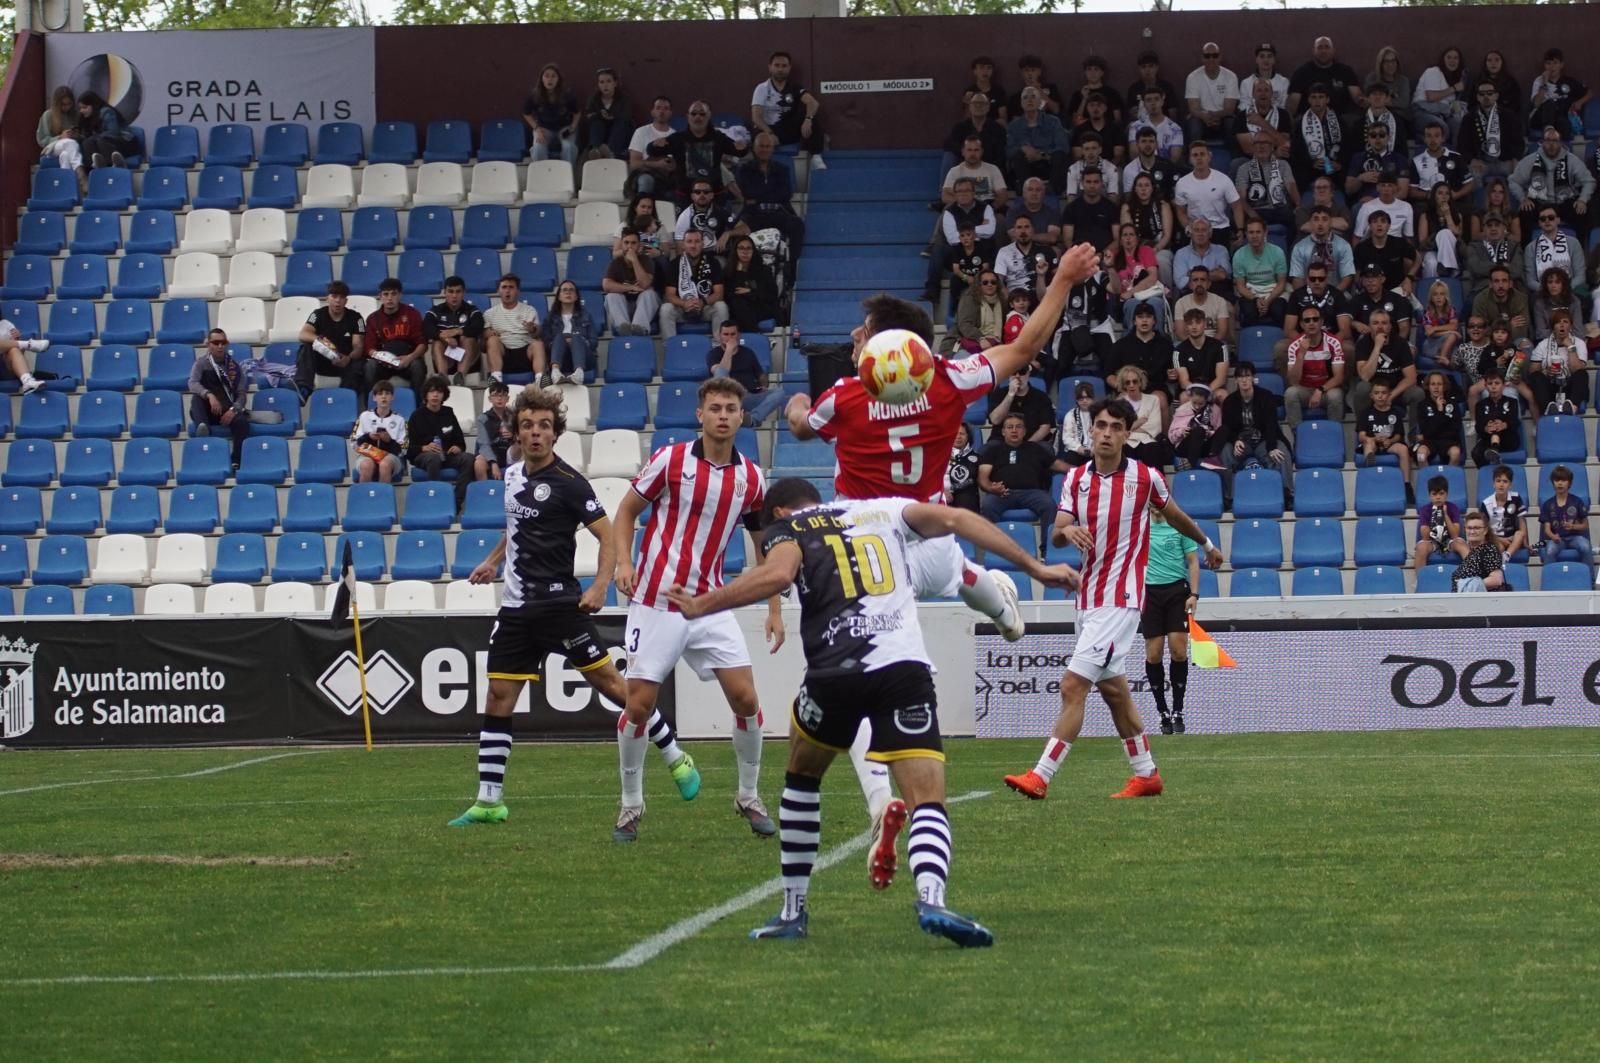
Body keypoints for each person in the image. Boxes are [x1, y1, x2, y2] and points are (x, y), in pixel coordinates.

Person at [669, 479, 1072, 946]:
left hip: (833, 673)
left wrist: (703, 603)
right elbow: (957, 519)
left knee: (802, 778)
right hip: (902, 672)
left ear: (779, 511)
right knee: (928, 798)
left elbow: (777, 576)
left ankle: (793, 910)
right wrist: (1035, 567)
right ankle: (932, 898)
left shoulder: (789, 528)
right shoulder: (886, 510)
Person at [784, 244, 1101, 829]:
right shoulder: (950, 378)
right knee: (953, 568)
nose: (854, 337)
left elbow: (804, 426)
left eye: (863, 332)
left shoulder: (845, 396)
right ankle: (996, 600)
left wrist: (798, 403)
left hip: (867, 553)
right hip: (930, 537)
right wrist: (1061, 278)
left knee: (859, 672)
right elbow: (1024, 349)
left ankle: (879, 801)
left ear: (886, 347)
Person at [448, 386, 670, 827]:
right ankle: (489, 800)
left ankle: (673, 750)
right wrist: (492, 562)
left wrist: (600, 586)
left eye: (544, 426)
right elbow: (515, 527)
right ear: (516, 432)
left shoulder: (570, 483)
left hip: (560, 606)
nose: (536, 433)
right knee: (498, 695)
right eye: (528, 425)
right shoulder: (512, 475)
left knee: (612, 686)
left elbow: (607, 536)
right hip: (516, 608)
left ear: (556, 433)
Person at [1004, 396, 1223, 802]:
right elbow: (1058, 532)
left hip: (1121, 599)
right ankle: (1147, 774)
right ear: (1092, 431)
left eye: (1115, 427)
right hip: (1087, 599)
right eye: (1101, 426)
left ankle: (1041, 775)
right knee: (1115, 692)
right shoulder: (1075, 479)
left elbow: (1175, 515)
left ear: (1127, 435)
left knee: (1073, 685)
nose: (1106, 433)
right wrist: (1066, 532)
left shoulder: (1145, 478)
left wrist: (1207, 545)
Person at [611, 377, 781, 843]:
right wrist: (624, 562)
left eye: (731, 408)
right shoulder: (671, 461)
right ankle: (631, 805)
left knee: (746, 700)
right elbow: (626, 512)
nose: (723, 415)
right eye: (716, 408)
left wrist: (774, 607)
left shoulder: (751, 478)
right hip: (657, 600)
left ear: (741, 417)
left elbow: (764, 544)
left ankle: (748, 795)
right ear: (700, 415)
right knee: (639, 705)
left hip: (709, 602)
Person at [1141, 507, 1202, 735]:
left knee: (1178, 651)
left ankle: (1178, 710)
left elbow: (1193, 561)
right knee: (1153, 654)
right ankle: (1162, 712)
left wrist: (1194, 594)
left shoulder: (1180, 524)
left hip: (1177, 591)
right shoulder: (1140, 525)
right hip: (1149, 593)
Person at [1511, 126, 1595, 239]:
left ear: (1560, 143)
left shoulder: (1571, 160)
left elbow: (1589, 181)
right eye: (1548, 140)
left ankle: (1580, 247)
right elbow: (1513, 180)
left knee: (1582, 212)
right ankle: (1526, 247)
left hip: (1564, 202)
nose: (1551, 144)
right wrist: (1522, 198)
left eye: (1555, 141)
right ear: (1542, 142)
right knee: (1524, 212)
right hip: (1539, 202)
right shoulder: (1531, 160)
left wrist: (1582, 200)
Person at [978, 413, 1058, 526]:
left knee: (1049, 505)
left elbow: (1057, 465)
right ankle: (993, 538)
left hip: (1032, 493)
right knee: (988, 505)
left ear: (1024, 431)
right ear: (1003, 431)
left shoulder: (1036, 448)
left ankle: (1047, 538)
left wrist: (1081, 468)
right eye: (1010, 427)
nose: (1014, 430)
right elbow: (983, 478)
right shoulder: (992, 450)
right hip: (1002, 494)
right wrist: (991, 488)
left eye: (1019, 427)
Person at [406, 374, 474, 507]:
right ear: (426, 395)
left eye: (439, 392)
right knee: (433, 458)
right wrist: (424, 448)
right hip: (425, 456)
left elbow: (460, 441)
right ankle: (436, 501)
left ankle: (456, 501)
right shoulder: (416, 416)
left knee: (469, 459)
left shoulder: (449, 412)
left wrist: (458, 447)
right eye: (432, 391)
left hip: (447, 454)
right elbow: (408, 449)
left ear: (444, 395)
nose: (435, 395)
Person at [1219, 362, 1292, 486]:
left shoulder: (1266, 397)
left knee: (1281, 452)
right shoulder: (1229, 401)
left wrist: (1271, 447)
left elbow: (1271, 425)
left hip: (1263, 441)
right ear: (1236, 380)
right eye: (1240, 377)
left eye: (1247, 376)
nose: (1244, 380)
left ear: (1253, 378)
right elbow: (1227, 427)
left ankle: (1287, 491)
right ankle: (1229, 494)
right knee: (1225, 451)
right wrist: (1235, 440)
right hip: (1242, 443)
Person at [737, 132, 805, 262]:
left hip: (779, 212)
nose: (764, 150)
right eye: (761, 146)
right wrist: (771, 194)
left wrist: (759, 196)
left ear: (773, 149)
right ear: (754, 148)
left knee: (798, 225)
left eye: (768, 146)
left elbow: (786, 194)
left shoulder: (782, 169)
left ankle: (791, 264)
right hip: (754, 213)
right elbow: (748, 192)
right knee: (736, 230)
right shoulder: (744, 170)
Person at [295, 280, 367, 401]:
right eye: (334, 296)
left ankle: (346, 398)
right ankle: (304, 388)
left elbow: (358, 347)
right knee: (306, 347)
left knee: (359, 363)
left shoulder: (356, 317)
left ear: (346, 301)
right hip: (324, 361)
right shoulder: (318, 314)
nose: (338, 301)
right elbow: (303, 334)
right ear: (327, 298)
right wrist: (321, 340)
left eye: (342, 297)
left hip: (345, 362)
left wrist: (348, 358)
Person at [189, 328, 249, 469]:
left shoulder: (235, 367)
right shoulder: (201, 363)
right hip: (208, 411)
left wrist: (234, 409)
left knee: (242, 422)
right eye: (216, 343)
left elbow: (241, 394)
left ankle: (236, 461)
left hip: (228, 410)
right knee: (196, 399)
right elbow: (192, 383)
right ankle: (203, 429)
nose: (220, 346)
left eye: (223, 342)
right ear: (208, 345)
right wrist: (209, 395)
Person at [666, 101, 747, 203]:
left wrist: (742, 148)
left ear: (709, 116)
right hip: (685, 194)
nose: (698, 117)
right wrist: (655, 146)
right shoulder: (677, 138)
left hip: (714, 194)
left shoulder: (718, 137)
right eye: (694, 114)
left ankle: (740, 198)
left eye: (702, 114)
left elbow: (739, 151)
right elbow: (653, 150)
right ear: (688, 116)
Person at [708, 320, 783, 427]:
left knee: (779, 392)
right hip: (727, 396)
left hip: (748, 396)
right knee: (720, 372)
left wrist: (763, 386)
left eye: (733, 334)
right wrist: (729, 350)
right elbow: (721, 372)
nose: (729, 337)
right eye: (726, 334)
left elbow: (761, 375)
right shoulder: (713, 354)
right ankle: (731, 414)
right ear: (720, 336)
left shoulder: (748, 352)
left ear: (739, 336)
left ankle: (751, 419)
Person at [1283, 304, 1348, 425]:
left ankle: (1334, 433)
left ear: (1321, 322)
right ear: (1302, 324)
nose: (1311, 323)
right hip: (1304, 390)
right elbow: (1293, 381)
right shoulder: (1294, 346)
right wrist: (1301, 354)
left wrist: (1320, 390)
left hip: (1326, 390)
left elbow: (1339, 377)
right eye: (1307, 320)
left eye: (1315, 319)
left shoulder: (1334, 343)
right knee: (1290, 393)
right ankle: (1298, 433)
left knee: (1336, 395)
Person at [363, 278, 428, 399]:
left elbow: (422, 344)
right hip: (383, 362)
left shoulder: (412, 314)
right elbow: (369, 348)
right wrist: (383, 358)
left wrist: (410, 358)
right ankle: (370, 405)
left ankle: (418, 405)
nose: (389, 298)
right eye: (386, 294)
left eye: (394, 294)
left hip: (407, 360)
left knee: (418, 367)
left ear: (400, 295)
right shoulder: (373, 319)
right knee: (369, 366)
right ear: (380, 296)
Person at [1353, 308, 1422, 420]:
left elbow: (1411, 377)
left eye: (1384, 323)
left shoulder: (1401, 343)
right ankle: (1362, 427)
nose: (1380, 327)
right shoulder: (1363, 343)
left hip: (1395, 389)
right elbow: (1365, 376)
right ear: (1369, 326)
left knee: (1417, 393)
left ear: (1390, 327)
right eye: (1375, 323)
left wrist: (1390, 396)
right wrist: (1377, 347)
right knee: (1362, 388)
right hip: (1374, 390)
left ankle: (1415, 431)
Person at [661, 228, 728, 338]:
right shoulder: (674, 264)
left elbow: (719, 294)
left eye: (697, 241)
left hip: (705, 307)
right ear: (683, 244)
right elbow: (669, 295)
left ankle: (719, 345)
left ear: (703, 243)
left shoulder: (713, 262)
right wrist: (684, 304)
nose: (693, 245)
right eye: (689, 241)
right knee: (666, 309)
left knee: (721, 306)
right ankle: (670, 346)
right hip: (682, 307)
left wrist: (703, 302)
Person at [481, 273, 546, 386]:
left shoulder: (529, 310)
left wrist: (532, 329)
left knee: (538, 344)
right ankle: (496, 381)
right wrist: (486, 333)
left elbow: (537, 333)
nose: (507, 291)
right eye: (504, 287)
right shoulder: (489, 313)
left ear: (518, 291)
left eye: (511, 287)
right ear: (498, 291)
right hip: (503, 354)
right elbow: (483, 342)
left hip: (525, 353)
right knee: (492, 340)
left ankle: (540, 380)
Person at [1174, 142, 1243, 246]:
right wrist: (1188, 227)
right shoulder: (1182, 183)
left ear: (1209, 157)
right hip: (1195, 229)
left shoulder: (1223, 179)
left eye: (1202, 154)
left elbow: (1236, 206)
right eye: (1195, 155)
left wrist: (1240, 229)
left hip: (1219, 228)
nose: (1199, 158)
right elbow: (1180, 211)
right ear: (1190, 159)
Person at [750, 50, 821, 151]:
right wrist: (770, 133)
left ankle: (816, 155)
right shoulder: (762, 88)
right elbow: (756, 117)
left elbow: (813, 103)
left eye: (784, 66)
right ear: (770, 67)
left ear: (789, 68)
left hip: (788, 130)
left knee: (812, 118)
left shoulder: (795, 87)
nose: (780, 69)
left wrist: (808, 120)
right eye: (777, 65)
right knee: (758, 137)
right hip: (769, 129)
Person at [1008, 86, 1071, 192]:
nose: (1029, 100)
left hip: (1049, 163)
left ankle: (1051, 190)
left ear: (1040, 102)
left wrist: (1042, 155)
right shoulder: (1013, 126)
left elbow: (1063, 146)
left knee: (1060, 155)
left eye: (1033, 97)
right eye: (1025, 97)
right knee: (1017, 156)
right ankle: (1027, 190)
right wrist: (1023, 149)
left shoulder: (1053, 121)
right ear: (1021, 103)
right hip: (1026, 165)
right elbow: (1008, 150)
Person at [1527, 309, 1589, 414]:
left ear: (1570, 326)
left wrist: (1570, 347)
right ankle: (1549, 408)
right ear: (1553, 327)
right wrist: (1546, 371)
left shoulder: (1579, 343)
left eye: (1565, 322)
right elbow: (1532, 371)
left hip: (1570, 388)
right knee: (1536, 377)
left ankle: (1572, 407)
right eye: (1558, 322)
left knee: (1582, 374)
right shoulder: (1543, 345)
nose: (1562, 325)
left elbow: (1577, 369)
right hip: (1550, 388)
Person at [603, 228, 662, 337]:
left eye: (633, 243)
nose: (629, 246)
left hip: (643, 309)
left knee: (649, 294)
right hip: (624, 308)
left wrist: (635, 261)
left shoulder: (646, 260)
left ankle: (639, 328)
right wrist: (631, 287)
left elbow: (644, 284)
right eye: (626, 243)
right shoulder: (616, 263)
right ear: (621, 244)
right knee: (611, 296)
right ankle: (623, 327)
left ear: (639, 245)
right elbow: (606, 285)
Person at [1458, 81, 1524, 178]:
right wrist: (1472, 160)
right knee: (1472, 174)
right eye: (1482, 94)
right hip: (1481, 163)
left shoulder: (1509, 116)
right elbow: (1462, 145)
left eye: (1490, 93)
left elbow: (1518, 142)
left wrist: (1515, 159)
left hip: (1504, 162)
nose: (1486, 97)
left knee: (1520, 173)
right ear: (1477, 97)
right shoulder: (1469, 118)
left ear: (1496, 96)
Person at [424, 276, 484, 382]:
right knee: (437, 342)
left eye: (458, 291)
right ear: (444, 292)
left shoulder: (472, 310)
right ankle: (443, 378)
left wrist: (458, 331)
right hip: (446, 357)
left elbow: (478, 327)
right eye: (450, 291)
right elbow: (427, 327)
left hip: (469, 359)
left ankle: (460, 377)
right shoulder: (435, 311)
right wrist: (445, 338)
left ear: (464, 293)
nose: (454, 296)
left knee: (468, 339)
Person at [1121, 172, 1175, 287]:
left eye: (1147, 185)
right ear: (1135, 189)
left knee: (1161, 261)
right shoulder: (1127, 207)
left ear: (1152, 188)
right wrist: (1141, 252)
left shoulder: (1163, 205)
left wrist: (1155, 249)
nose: (1143, 189)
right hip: (1135, 249)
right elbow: (1127, 235)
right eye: (1140, 186)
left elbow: (1167, 235)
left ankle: (1167, 294)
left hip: (1159, 247)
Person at [1232, 218, 1289, 327]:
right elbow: (1240, 286)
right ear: (1246, 234)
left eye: (1258, 232)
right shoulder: (1239, 255)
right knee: (1250, 312)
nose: (1254, 236)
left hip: (1273, 290)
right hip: (1251, 291)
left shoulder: (1277, 252)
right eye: (1251, 232)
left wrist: (1268, 301)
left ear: (1265, 233)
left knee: (1278, 310)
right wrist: (1256, 300)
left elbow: (1281, 283)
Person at [1109, 222, 1167, 331]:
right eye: (1125, 235)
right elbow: (1115, 288)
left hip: (1148, 294)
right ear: (1120, 240)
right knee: (1132, 304)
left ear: (1137, 238)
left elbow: (1152, 277)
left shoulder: (1146, 251)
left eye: (1131, 234)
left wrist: (1131, 292)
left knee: (1155, 303)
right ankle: (1131, 339)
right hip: (1126, 300)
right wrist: (1110, 267)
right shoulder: (1114, 256)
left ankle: (1158, 338)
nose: (1128, 238)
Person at [541, 280, 599, 386]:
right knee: (559, 337)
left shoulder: (586, 316)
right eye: (564, 290)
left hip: (584, 359)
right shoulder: (550, 318)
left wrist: (575, 342)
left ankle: (579, 373)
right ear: (559, 296)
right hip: (560, 358)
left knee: (576, 337)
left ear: (576, 296)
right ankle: (555, 372)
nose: (568, 292)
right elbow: (546, 342)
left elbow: (593, 342)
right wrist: (564, 340)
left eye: (571, 290)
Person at [1236, 133, 1299, 230]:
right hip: (1256, 209)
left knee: (1294, 217)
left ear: (1272, 147)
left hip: (1280, 209)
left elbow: (1291, 188)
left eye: (1265, 143)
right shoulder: (1244, 168)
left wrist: (1299, 206)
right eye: (1257, 143)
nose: (1261, 146)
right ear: (1253, 147)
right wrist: (1254, 215)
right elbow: (1241, 198)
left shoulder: (1282, 165)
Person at [1540, 465, 1593, 579]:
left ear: (1570, 483)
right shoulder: (1547, 504)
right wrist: (1553, 537)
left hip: (1575, 537)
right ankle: (1548, 581)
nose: (1560, 483)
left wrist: (1573, 526)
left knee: (1585, 546)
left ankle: (1590, 581)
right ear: (1553, 483)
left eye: (1563, 480)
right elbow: (1547, 529)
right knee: (1550, 550)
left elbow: (1585, 525)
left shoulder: (1577, 501)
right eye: (1557, 480)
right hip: (1557, 539)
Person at [1357, 381, 1412, 491]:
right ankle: (1371, 476)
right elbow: (1361, 436)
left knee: (1403, 448)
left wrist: (1391, 441)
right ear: (1371, 396)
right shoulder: (1365, 413)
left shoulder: (1395, 413)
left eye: (1383, 393)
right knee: (1369, 444)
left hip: (1389, 444)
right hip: (1373, 443)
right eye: (1376, 393)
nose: (1380, 396)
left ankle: (1406, 485)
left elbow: (1398, 435)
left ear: (1389, 395)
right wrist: (1373, 439)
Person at [1184, 42, 1240, 146]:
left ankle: (1234, 155)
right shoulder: (1193, 77)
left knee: (1232, 124)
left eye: (1215, 55)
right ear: (1202, 58)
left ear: (1220, 57)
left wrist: (1214, 115)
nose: (1211, 59)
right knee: (1194, 127)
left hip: (1223, 117)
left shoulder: (1231, 77)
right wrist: (1204, 116)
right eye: (1207, 56)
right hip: (1201, 118)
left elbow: (1229, 109)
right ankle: (1192, 155)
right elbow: (1193, 108)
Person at [352, 378, 407, 484]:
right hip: (367, 454)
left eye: (387, 394)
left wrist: (389, 441)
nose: (383, 397)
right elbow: (354, 442)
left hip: (391, 456)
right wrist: (368, 437)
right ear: (374, 397)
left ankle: (383, 494)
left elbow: (403, 449)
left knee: (385, 464)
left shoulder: (400, 419)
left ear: (392, 397)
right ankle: (364, 494)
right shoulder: (364, 416)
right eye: (380, 394)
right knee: (366, 465)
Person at [1528, 48, 1591, 140]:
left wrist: (1580, 102)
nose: (1551, 67)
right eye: (1548, 63)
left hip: (1560, 117)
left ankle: (1562, 147)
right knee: (1550, 103)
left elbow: (1589, 92)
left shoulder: (1569, 81)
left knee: (1564, 124)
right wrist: (1544, 83)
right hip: (1540, 118)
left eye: (1555, 63)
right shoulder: (1539, 81)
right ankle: (1548, 130)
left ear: (1561, 65)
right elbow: (1536, 104)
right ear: (1544, 65)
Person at [523, 63, 580, 165]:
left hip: (564, 128)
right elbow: (526, 113)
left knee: (569, 147)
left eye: (553, 76)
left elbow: (577, 112)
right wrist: (537, 129)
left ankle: (567, 173)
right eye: (547, 76)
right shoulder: (535, 95)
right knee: (538, 148)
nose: (550, 79)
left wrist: (572, 127)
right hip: (543, 128)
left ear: (558, 79)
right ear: (542, 79)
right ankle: (543, 172)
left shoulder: (567, 94)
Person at [723, 234, 780, 334]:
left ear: (753, 251)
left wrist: (750, 291)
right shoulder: (728, 272)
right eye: (741, 248)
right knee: (738, 303)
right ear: (735, 251)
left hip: (761, 307)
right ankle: (753, 335)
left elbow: (772, 294)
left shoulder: (764, 270)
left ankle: (751, 336)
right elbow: (731, 294)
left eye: (748, 248)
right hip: (739, 309)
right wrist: (739, 272)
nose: (745, 252)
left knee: (741, 306)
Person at [1291, 84, 1345, 188]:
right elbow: (1296, 150)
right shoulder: (1300, 123)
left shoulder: (1339, 121)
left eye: (1321, 97)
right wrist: (1311, 163)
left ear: (1327, 99)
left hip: (1335, 173)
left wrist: (1340, 163)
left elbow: (1347, 145)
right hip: (1310, 173)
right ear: (1308, 100)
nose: (1317, 101)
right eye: (1313, 97)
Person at [1290, 205, 1357, 289]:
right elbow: (1297, 278)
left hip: (1336, 291)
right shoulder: (1299, 247)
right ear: (1310, 222)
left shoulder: (1343, 245)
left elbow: (1347, 277)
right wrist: (1305, 295)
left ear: (1331, 222)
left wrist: (1334, 294)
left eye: (1325, 219)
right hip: (1307, 292)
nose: (1320, 223)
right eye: (1316, 219)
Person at [675, 178, 746, 256]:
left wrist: (728, 234)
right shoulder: (684, 216)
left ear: (711, 195)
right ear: (692, 196)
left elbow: (745, 229)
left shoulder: (721, 211)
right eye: (697, 192)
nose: (702, 195)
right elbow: (680, 247)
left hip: (717, 255)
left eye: (706, 192)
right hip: (695, 257)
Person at [986, 364, 1056, 442]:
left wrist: (1027, 445)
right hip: (1001, 440)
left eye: (1022, 372)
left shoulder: (1041, 397)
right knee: (988, 448)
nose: (1017, 376)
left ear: (1028, 374)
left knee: (1046, 448)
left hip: (1032, 441)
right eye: (1014, 372)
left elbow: (1045, 427)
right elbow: (995, 420)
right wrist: (1010, 395)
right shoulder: (998, 394)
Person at [1526, 209, 1589, 294]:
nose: (1547, 221)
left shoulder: (1573, 243)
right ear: (1539, 223)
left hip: (1570, 289)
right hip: (1543, 291)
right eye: (1543, 219)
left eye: (1551, 217)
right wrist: (1549, 289)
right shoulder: (1530, 248)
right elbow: (1530, 281)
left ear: (1558, 220)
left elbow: (1580, 276)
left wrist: (1564, 288)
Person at [1116, 366, 1168, 467]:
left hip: (1147, 440)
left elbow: (1155, 426)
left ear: (1140, 382)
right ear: (1124, 385)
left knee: (1153, 449)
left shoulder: (1153, 399)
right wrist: (1137, 423)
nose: (1131, 385)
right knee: (1122, 450)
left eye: (1135, 381)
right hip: (1126, 441)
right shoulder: (1119, 403)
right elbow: (1119, 428)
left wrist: (1129, 428)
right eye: (1127, 382)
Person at [1173, 306, 1229, 400]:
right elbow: (1184, 381)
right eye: (1190, 323)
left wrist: (1205, 391)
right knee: (1184, 397)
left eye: (1198, 322)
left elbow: (1221, 379)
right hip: (1191, 391)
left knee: (1222, 394)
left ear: (1205, 324)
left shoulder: (1219, 347)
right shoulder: (1179, 350)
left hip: (1213, 389)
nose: (1194, 327)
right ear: (1186, 326)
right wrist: (1197, 394)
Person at [994, 216, 1057, 298]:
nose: (1023, 231)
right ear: (1014, 231)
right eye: (1019, 227)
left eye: (1027, 227)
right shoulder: (1004, 252)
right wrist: (1008, 300)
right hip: (1015, 299)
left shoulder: (1047, 251)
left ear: (1033, 230)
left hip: (1043, 298)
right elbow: (999, 280)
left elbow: (1058, 276)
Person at [1172, 265, 1234, 348]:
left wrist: (1206, 348)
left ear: (1209, 284)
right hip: (1189, 344)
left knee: (1223, 346)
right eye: (1195, 280)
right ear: (1190, 285)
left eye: (1203, 280)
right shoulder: (1181, 303)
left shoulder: (1220, 301)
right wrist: (1196, 346)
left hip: (1213, 344)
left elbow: (1222, 332)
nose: (1199, 283)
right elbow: (1180, 333)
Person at [1415, 474, 1468, 570]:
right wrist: (1434, 516)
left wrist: (1445, 515)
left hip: (1449, 540)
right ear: (1429, 496)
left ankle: (1472, 575)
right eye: (1434, 494)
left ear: (1446, 494)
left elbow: (1455, 535)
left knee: (1462, 545)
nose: (1438, 497)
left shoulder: (1453, 508)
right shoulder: (1424, 510)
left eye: (1441, 493)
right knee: (1421, 548)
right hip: (1431, 541)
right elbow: (1425, 537)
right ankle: (1420, 578)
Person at [1413, 47, 1467, 141]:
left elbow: (1452, 104)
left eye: (1456, 58)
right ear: (1443, 59)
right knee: (1441, 129)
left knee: (1458, 124)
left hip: (1443, 114)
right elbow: (1431, 97)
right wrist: (1454, 88)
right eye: (1449, 57)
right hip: (1423, 111)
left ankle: (1456, 150)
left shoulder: (1455, 78)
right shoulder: (1434, 71)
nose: (1452, 61)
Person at [627, 95, 677, 195]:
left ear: (670, 113)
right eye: (658, 108)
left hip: (667, 177)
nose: (661, 111)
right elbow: (634, 164)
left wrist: (672, 165)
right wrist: (657, 164)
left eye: (666, 108)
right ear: (652, 112)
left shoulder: (675, 135)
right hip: (644, 174)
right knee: (646, 180)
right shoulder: (641, 132)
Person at [1167, 381, 1224, 472]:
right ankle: (1191, 464)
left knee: (1224, 429)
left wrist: (1210, 433)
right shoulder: (1182, 410)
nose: (1197, 407)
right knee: (1199, 430)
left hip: (1205, 444)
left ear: (1207, 399)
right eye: (1194, 403)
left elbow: (1217, 430)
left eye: (1201, 404)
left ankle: (1213, 458)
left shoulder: (1215, 409)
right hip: (1186, 446)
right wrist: (1182, 432)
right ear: (1190, 398)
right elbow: (1172, 438)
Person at [1413, 372, 1466, 468]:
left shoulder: (1452, 404)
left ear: (1444, 387)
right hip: (1429, 442)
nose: (1436, 387)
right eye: (1433, 384)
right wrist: (1440, 411)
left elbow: (1455, 429)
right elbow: (1426, 431)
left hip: (1448, 441)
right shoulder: (1422, 405)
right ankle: (1427, 477)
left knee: (1455, 453)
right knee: (1421, 455)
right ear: (1428, 386)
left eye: (1439, 384)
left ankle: (1448, 477)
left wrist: (1436, 428)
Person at [944, 93, 1008, 171]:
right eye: (975, 103)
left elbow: (1000, 154)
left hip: (990, 167)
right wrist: (966, 153)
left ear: (988, 107)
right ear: (970, 107)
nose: (978, 106)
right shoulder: (960, 127)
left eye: (982, 103)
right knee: (949, 156)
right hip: (965, 164)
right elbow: (948, 144)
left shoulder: (997, 129)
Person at [942, 134, 1009, 209]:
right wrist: (965, 205)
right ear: (963, 152)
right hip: (962, 207)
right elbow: (945, 196)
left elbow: (1003, 195)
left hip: (987, 206)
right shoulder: (954, 171)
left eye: (976, 150)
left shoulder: (993, 169)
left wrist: (990, 209)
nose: (972, 154)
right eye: (969, 150)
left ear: (982, 152)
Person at [1059, 168, 1118, 252]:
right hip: (1079, 255)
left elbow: (1117, 239)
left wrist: (1102, 255)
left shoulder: (1111, 208)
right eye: (1088, 182)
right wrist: (1081, 255)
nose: (1092, 186)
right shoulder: (1071, 208)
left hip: (1106, 256)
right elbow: (1067, 240)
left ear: (1102, 183)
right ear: (1082, 184)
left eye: (1096, 182)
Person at [1417, 178, 1466, 279]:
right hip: (1432, 249)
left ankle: (1448, 269)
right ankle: (1432, 285)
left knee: (1445, 233)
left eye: (1447, 193)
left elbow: (1457, 234)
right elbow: (1422, 243)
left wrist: (1447, 215)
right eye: (1440, 193)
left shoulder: (1457, 215)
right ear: (1434, 196)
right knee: (1432, 262)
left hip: (1453, 252)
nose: (1444, 196)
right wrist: (1436, 239)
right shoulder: (1425, 216)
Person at [580, 67, 633, 161]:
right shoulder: (594, 99)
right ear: (598, 85)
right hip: (601, 131)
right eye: (602, 82)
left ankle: (610, 151)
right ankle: (596, 150)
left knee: (621, 124)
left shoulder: (624, 98)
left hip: (618, 130)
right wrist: (599, 115)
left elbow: (627, 117)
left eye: (609, 81)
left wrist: (613, 116)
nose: (605, 85)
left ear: (615, 83)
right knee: (596, 123)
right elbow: (588, 116)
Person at [1472, 369, 1522, 466]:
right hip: (1488, 439)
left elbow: (1515, 422)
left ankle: (1495, 451)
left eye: (1497, 383)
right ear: (1485, 386)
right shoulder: (1480, 405)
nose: (1493, 387)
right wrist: (1486, 428)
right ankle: (1488, 471)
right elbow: (1478, 427)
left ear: (1503, 385)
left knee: (1496, 430)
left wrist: (1504, 425)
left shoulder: (1512, 402)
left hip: (1507, 438)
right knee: (1476, 453)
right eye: (1490, 384)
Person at [37, 85, 83, 190]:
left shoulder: (75, 115)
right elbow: (42, 139)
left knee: (65, 155)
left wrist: (75, 135)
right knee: (68, 143)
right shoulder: (48, 115)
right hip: (53, 148)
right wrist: (60, 137)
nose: (67, 107)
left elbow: (83, 135)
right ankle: (81, 175)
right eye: (63, 104)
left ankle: (66, 189)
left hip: (72, 148)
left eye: (69, 104)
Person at [1481, 463, 1530, 560]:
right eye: (1498, 481)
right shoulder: (1486, 503)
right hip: (1495, 538)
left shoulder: (1516, 498)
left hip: (1512, 538)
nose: (1501, 485)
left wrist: (1525, 542)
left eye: (1505, 481)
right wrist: (1500, 539)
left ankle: (1507, 555)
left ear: (1510, 484)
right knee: (1500, 547)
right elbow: (1484, 529)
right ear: (1493, 484)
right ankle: (1501, 561)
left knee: (1520, 534)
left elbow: (1522, 521)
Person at [76, 91, 135, 169]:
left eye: (84, 107)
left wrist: (94, 137)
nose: (81, 111)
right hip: (104, 144)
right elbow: (87, 136)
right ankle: (96, 167)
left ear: (93, 105)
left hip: (123, 143)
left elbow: (113, 132)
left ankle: (114, 166)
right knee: (87, 142)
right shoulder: (85, 118)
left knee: (101, 141)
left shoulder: (106, 112)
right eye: (80, 108)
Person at [1123, 126, 1182, 202]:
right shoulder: (1129, 169)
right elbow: (1129, 199)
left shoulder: (1167, 166)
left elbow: (1174, 196)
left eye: (1151, 141)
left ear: (1156, 144)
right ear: (1137, 144)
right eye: (1143, 141)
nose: (1148, 145)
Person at [1125, 51, 1182, 129]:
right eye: (1143, 67)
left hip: (1163, 124)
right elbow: (1131, 113)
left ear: (1157, 67)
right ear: (1139, 69)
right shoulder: (1134, 88)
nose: (1147, 70)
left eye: (1151, 66)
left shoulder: (1166, 86)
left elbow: (1173, 112)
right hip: (1141, 125)